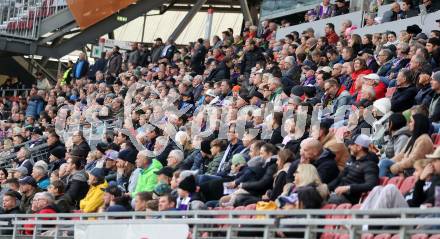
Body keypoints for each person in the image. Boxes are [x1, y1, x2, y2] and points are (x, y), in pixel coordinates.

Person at [328, 134, 379, 205]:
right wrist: (326, 188)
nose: (349, 146)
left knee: (329, 201)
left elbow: (371, 184)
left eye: (352, 145)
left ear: (359, 147)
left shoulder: (370, 165)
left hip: (349, 199)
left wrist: (348, 188)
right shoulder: (351, 160)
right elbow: (340, 178)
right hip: (338, 193)